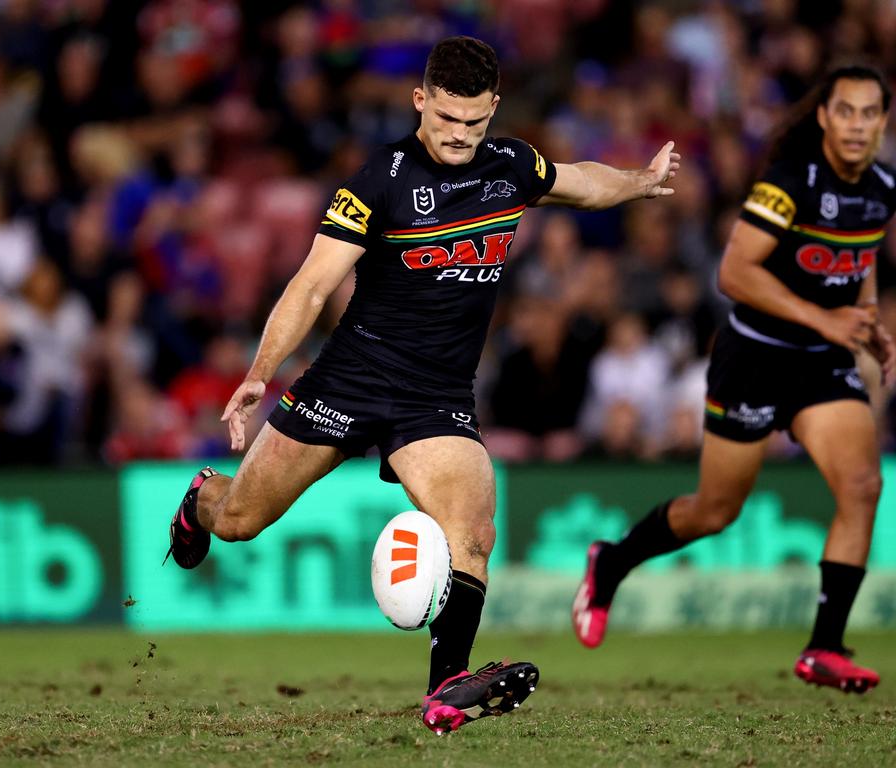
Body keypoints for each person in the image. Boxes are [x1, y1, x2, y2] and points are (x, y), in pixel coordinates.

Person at [165, 36, 680, 733]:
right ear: (420, 102)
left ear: (493, 108)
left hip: (435, 397)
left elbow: (580, 180)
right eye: (447, 121)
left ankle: (447, 687)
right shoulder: (378, 181)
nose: (462, 136)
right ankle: (200, 501)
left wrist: (639, 182)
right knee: (239, 522)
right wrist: (259, 374)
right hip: (349, 380)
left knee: (473, 529)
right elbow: (312, 285)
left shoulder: (511, 165)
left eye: (475, 121)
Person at [572, 64, 896, 694]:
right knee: (715, 511)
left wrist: (867, 318)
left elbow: (858, 259)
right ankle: (610, 562)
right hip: (755, 357)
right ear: (825, 118)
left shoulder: (882, 187)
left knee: (862, 484)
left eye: (870, 113)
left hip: (820, 364)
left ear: (883, 121)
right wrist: (824, 319)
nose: (858, 125)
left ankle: (824, 647)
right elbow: (735, 274)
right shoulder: (786, 184)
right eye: (846, 112)